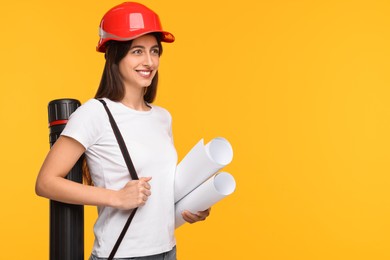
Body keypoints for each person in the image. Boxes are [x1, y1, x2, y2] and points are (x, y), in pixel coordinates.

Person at [35, 2, 210, 259]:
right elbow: (45, 182)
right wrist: (117, 197)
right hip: (122, 254)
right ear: (115, 56)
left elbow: (160, 189)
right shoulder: (95, 113)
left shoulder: (162, 117)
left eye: (154, 51)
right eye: (137, 51)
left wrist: (192, 207)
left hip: (168, 250)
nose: (149, 61)